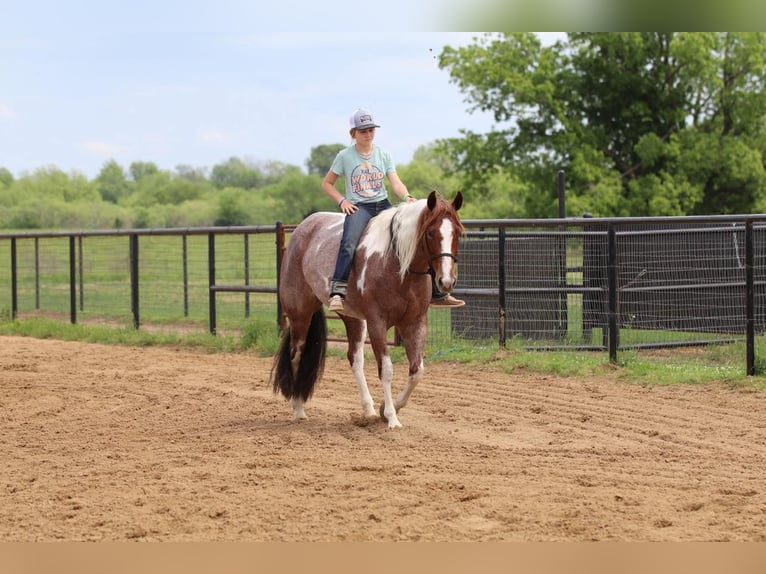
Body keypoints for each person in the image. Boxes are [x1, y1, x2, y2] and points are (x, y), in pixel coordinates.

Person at [322, 108, 465, 313]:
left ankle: (438, 292)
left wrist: (406, 197)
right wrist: (342, 201)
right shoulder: (344, 156)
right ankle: (338, 291)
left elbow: (395, 182)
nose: (368, 134)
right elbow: (327, 184)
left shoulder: (383, 154)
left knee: (417, 237)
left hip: (383, 204)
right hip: (359, 207)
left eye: (371, 130)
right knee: (349, 242)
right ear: (353, 133)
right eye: (363, 131)